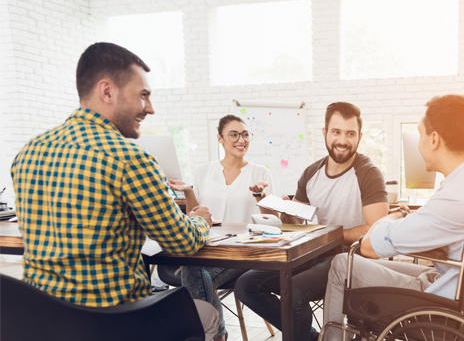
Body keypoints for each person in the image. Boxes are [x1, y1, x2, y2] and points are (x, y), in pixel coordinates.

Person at [10, 42, 222, 340]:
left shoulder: (29, 152)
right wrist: (201, 219)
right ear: (107, 91)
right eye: (143, 95)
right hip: (115, 323)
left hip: (42, 322)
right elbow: (182, 242)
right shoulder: (129, 158)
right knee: (208, 315)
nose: (150, 108)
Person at [323, 94, 464, 340]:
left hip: (442, 307)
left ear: (434, 139)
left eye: (420, 133)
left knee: (343, 263)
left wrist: (395, 215)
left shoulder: (456, 198)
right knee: (413, 269)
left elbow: (370, 245)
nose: (418, 142)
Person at [235, 102, 389, 341]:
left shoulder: (368, 173)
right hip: (311, 255)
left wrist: (329, 233)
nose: (343, 140)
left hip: (350, 260)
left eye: (350, 134)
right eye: (336, 132)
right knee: (246, 285)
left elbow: (377, 230)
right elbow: (297, 223)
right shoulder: (311, 173)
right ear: (325, 133)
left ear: (360, 137)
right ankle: (310, 337)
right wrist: (285, 212)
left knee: (295, 291)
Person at [167, 114, 278, 340]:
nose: (241, 140)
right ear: (220, 139)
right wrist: (188, 192)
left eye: (245, 134)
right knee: (194, 269)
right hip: (207, 249)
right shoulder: (203, 171)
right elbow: (195, 215)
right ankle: (217, 333)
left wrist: (259, 195)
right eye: (234, 134)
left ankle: (216, 334)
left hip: (243, 253)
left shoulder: (261, 172)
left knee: (191, 271)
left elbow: (274, 221)